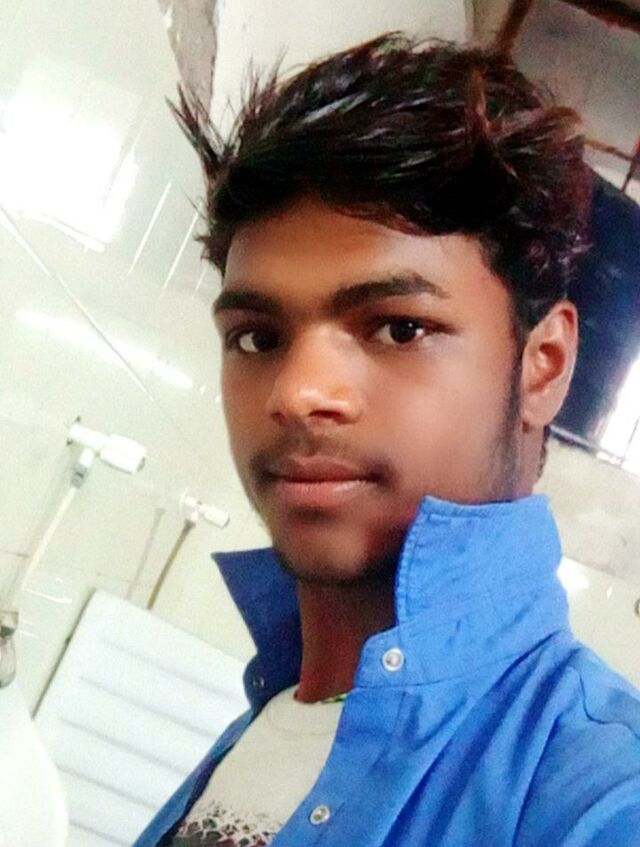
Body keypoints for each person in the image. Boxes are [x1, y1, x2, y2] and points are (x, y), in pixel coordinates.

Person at [133, 33, 640, 847]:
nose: (298, 393)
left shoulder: (603, 799)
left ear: (543, 365)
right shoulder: (274, 717)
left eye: (399, 327)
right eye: (258, 337)